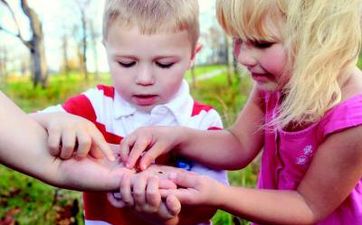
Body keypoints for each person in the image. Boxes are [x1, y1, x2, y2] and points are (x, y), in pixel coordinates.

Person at [119, 0, 362, 224]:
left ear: (323, 38)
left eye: (262, 43)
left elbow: (307, 205)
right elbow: (238, 144)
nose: (243, 57)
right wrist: (175, 137)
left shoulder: (353, 118)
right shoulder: (277, 82)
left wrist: (218, 194)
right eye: (237, 40)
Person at [32, 0, 228, 224]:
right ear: (106, 49)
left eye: (164, 64)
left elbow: (213, 201)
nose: (144, 79)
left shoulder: (202, 122)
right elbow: (22, 127)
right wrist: (56, 120)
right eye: (126, 63)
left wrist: (166, 215)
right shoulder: (95, 106)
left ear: (193, 55)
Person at [0, 91, 128, 192]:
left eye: (150, 66)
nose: (143, 79)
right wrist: (53, 118)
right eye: (127, 63)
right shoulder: (95, 102)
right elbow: (18, 124)